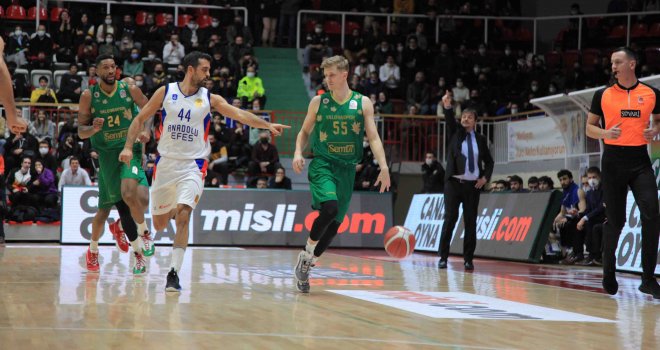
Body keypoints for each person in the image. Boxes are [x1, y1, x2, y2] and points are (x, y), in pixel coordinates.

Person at [119, 51, 289, 292]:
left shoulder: (210, 98)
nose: (209, 74)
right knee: (158, 224)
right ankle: (147, 228)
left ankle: (173, 273)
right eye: (205, 69)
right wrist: (128, 146)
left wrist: (267, 124)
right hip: (166, 163)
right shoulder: (166, 92)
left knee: (184, 215)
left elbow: (239, 114)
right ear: (191, 69)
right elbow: (139, 119)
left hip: (194, 165)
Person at [292, 55, 391, 293]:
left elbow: (374, 137)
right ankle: (306, 254)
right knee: (330, 208)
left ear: (344, 74)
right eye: (326, 75)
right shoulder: (318, 102)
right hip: (323, 163)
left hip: (347, 169)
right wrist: (297, 152)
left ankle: (309, 264)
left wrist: (384, 167)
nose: (328, 80)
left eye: (332, 75)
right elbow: (304, 132)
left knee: (334, 226)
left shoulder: (363, 102)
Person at [586, 47, 660, 298]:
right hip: (613, 162)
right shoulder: (602, 94)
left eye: (617, 62)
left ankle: (648, 278)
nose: (613, 66)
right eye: (611, 62)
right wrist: (605, 134)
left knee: (652, 213)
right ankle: (608, 270)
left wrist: (656, 129)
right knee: (616, 221)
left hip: (640, 161)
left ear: (632, 64)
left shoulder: (651, 93)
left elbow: (658, 119)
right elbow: (589, 128)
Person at [78, 54, 152, 275]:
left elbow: (148, 110)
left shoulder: (128, 87)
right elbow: (81, 132)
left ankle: (131, 231)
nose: (111, 70)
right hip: (107, 156)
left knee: (142, 200)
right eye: (106, 67)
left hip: (131, 150)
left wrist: (147, 130)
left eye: (113, 67)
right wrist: (94, 129)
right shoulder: (88, 96)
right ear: (97, 71)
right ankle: (97, 250)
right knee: (107, 208)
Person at [437, 91, 494, 271]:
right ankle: (443, 257)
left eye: (469, 117)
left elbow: (490, 162)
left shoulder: (481, 140)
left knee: (470, 223)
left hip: (472, 187)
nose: (465, 119)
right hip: (453, 185)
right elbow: (449, 119)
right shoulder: (456, 134)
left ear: (475, 121)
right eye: (463, 117)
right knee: (450, 219)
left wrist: (485, 177)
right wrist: (447, 106)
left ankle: (468, 259)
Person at [576, 166, 605, 265]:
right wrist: (580, 215)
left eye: (594, 177)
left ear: (599, 177)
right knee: (579, 222)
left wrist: (585, 218)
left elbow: (601, 208)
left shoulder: (605, 189)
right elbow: (588, 209)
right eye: (589, 178)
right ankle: (579, 254)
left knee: (591, 225)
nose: (591, 180)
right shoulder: (589, 193)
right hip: (593, 218)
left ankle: (596, 256)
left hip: (603, 218)